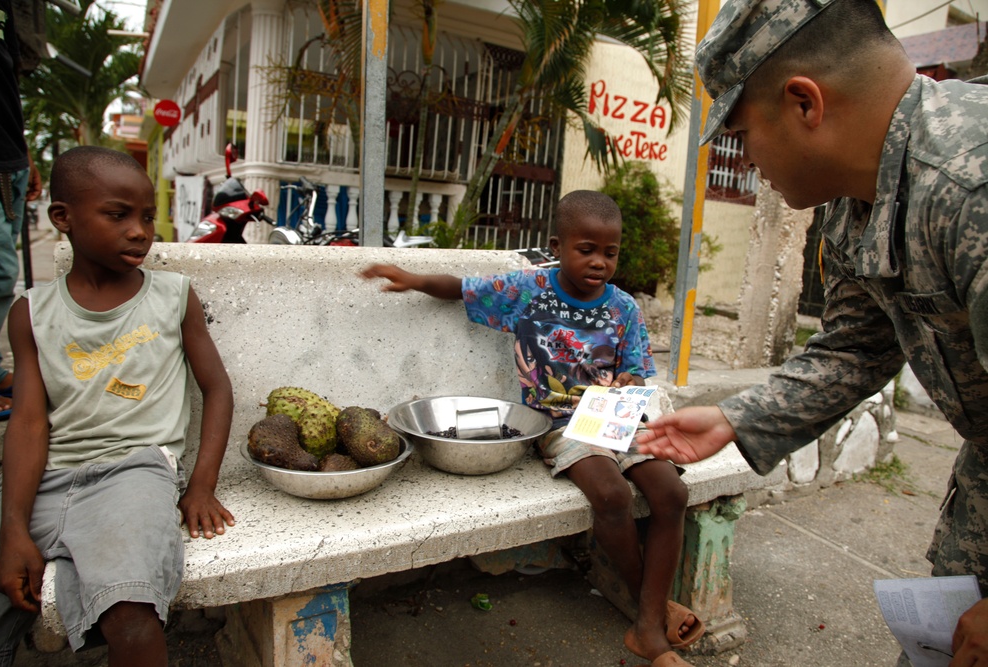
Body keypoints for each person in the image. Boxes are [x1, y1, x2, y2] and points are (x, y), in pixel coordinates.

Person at [632, 0, 988, 663]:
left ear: (804, 103)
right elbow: (855, 346)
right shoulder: (858, 203)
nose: (745, 155)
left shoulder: (971, 186)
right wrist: (738, 417)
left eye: (742, 131)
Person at [362, 190, 704, 667]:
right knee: (612, 496)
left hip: (617, 418)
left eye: (611, 252)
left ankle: (651, 613)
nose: (600, 262)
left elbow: (638, 371)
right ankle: (650, 624)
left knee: (671, 494)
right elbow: (462, 288)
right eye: (586, 249)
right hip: (560, 424)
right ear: (557, 246)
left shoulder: (623, 307)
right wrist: (411, 278)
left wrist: (630, 380)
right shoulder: (528, 291)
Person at [0, 146, 235, 666]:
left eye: (147, 216)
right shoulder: (31, 313)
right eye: (117, 214)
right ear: (63, 218)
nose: (140, 231)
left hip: (136, 473)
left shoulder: (172, 296)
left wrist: (201, 485)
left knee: (131, 612)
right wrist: (14, 525)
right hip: (49, 475)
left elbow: (217, 388)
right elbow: (29, 422)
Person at [0, 0, 42, 421]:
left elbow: (4, 80)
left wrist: (22, 151)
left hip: (6, 159)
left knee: (1, 276)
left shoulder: (6, 8)